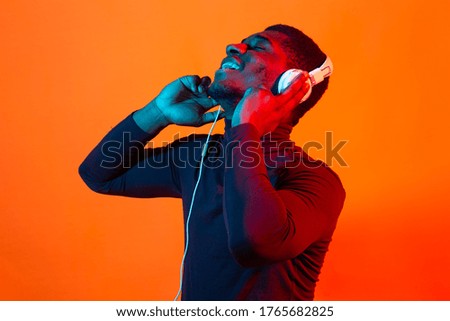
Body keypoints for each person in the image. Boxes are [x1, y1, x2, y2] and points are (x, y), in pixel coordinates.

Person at [79, 24, 345, 300]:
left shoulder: (316, 181)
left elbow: (251, 243)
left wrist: (247, 127)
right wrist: (158, 112)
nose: (234, 47)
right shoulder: (200, 155)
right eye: (242, 42)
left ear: (292, 83)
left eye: (258, 46)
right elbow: (99, 174)